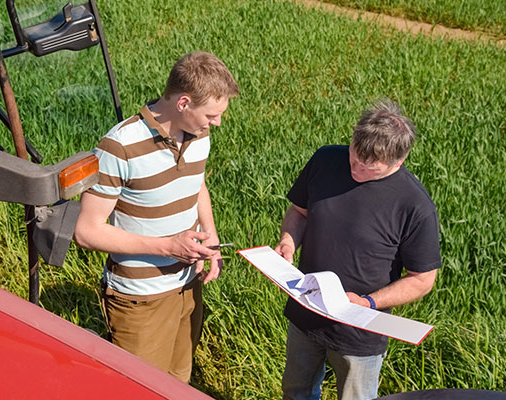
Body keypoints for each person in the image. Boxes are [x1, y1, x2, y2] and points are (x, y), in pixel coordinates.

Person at [74, 51, 239, 382]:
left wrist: (211, 233)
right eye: (212, 114)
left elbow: (196, 184)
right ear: (183, 103)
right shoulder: (119, 146)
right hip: (140, 299)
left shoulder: (198, 133)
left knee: (178, 381)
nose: (217, 123)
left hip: (188, 284)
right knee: (142, 388)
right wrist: (169, 247)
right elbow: (87, 231)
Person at [275, 99, 441, 400]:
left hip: (359, 331)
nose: (356, 169)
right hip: (306, 311)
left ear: (397, 162)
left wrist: (368, 303)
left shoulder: (415, 206)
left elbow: (422, 279)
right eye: (353, 158)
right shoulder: (326, 160)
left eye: (369, 168)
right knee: (295, 391)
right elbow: (299, 212)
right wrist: (288, 241)